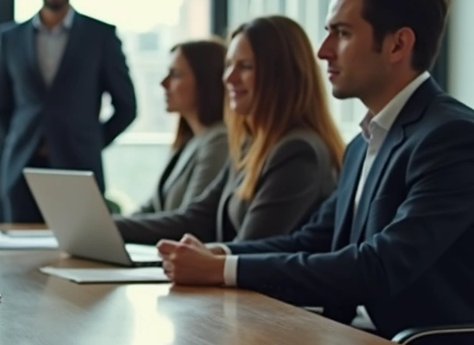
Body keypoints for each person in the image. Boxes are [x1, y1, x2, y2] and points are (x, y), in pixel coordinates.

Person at [157, 0, 474, 345]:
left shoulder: (451, 137)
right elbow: (314, 239)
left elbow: (379, 267)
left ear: (398, 45)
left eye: (341, 33)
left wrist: (222, 269)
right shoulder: (363, 144)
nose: (323, 50)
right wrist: (219, 253)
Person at [112, 15, 344, 244]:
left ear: (281, 76)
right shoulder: (249, 145)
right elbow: (198, 219)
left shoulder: (297, 150)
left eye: (246, 67)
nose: (229, 78)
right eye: (229, 65)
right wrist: (105, 226)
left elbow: (252, 248)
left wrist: (201, 260)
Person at [0, 0, 137, 223]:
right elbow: (0, 106)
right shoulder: (10, 38)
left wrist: (89, 141)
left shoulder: (100, 36)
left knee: (80, 246)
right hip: (21, 172)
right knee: (17, 250)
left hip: (79, 169)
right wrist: (24, 140)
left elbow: (127, 107)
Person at [133, 39, 229, 214]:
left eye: (175, 74)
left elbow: (190, 219)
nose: (163, 83)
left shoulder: (219, 141)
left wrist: (114, 224)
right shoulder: (189, 140)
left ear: (205, 81)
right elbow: (152, 206)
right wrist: (108, 224)